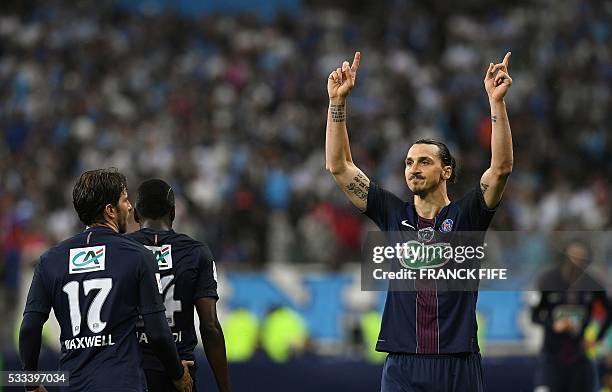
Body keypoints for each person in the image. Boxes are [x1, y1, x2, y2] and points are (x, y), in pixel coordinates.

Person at [325, 51, 514, 391]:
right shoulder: (394, 215)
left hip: (458, 363)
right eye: (409, 162)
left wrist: (495, 102)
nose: (413, 168)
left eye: (424, 161)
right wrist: (337, 104)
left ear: (446, 171)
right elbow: (339, 167)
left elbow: (500, 169)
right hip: (403, 363)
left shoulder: (467, 216)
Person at [19, 169, 193, 392]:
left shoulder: (49, 261)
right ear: (110, 211)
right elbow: (158, 333)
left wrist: (31, 384)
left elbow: (29, 329)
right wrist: (178, 374)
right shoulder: (138, 256)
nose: (130, 207)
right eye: (124, 200)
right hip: (123, 383)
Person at [127, 179, 230, 392]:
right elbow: (209, 326)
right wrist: (224, 388)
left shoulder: (119, 251)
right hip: (180, 373)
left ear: (136, 214)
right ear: (173, 213)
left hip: (131, 370)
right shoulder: (197, 252)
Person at [531, 239, 612, 392]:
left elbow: (609, 311)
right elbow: (534, 315)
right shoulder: (548, 280)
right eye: (573, 256)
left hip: (579, 356)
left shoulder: (592, 283)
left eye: (581, 258)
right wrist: (553, 325)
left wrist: (597, 339)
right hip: (552, 355)